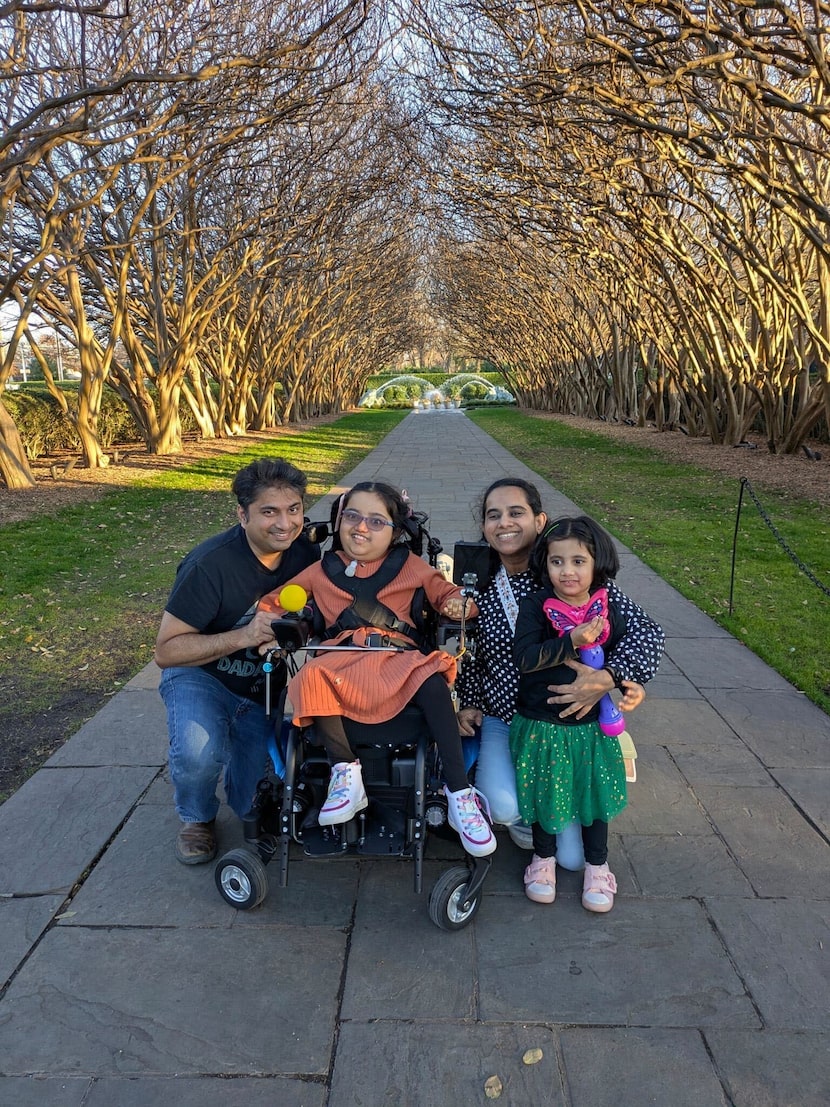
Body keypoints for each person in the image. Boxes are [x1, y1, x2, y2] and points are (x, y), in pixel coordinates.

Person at [258, 481, 496, 858]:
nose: (361, 527)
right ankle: (345, 774)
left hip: (397, 659)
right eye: (352, 516)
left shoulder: (412, 568)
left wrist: (457, 606)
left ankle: (460, 792)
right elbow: (273, 602)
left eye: (376, 520)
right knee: (309, 677)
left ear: (396, 531)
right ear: (338, 521)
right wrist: (272, 625)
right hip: (339, 662)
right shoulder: (322, 570)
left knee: (432, 678)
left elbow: (449, 594)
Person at [455, 478, 664, 867]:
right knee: (502, 806)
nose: (504, 523)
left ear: (539, 520)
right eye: (493, 515)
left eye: (516, 513)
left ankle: (552, 811)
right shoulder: (480, 586)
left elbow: (647, 632)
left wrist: (612, 676)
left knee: (573, 861)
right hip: (506, 716)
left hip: (568, 722)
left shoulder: (567, 575)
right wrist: (468, 702)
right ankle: (527, 817)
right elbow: (473, 655)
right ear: (484, 526)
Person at [155, 458, 320, 865]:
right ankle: (196, 817)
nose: (285, 523)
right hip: (200, 677)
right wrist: (245, 636)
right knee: (198, 754)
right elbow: (166, 651)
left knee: (251, 802)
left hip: (263, 686)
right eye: (269, 512)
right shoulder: (209, 565)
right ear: (242, 515)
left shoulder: (306, 554)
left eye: (293, 509)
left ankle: (237, 775)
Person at [510, 515, 664, 911]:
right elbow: (525, 658)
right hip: (542, 723)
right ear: (544, 563)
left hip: (593, 725)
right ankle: (541, 858)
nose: (567, 571)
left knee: (594, 792)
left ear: (597, 562)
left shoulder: (608, 603)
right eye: (557, 561)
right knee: (546, 789)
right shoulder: (536, 604)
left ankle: (599, 865)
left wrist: (626, 682)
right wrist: (570, 640)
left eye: (578, 561)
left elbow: (642, 638)